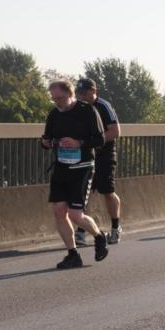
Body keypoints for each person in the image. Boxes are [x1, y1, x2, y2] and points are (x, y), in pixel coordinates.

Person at [40, 79, 109, 269]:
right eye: (54, 99)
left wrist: (79, 142)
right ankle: (73, 254)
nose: (57, 102)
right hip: (61, 168)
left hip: (83, 167)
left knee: (75, 214)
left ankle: (98, 236)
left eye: (60, 98)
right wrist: (46, 143)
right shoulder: (54, 114)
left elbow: (100, 139)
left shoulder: (87, 111)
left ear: (70, 95)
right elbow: (47, 138)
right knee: (59, 211)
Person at [74, 78, 123, 245]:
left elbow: (115, 131)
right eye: (79, 93)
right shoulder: (78, 108)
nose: (82, 96)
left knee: (107, 192)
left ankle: (115, 228)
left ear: (94, 91)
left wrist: (97, 142)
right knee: (84, 194)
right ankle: (81, 232)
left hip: (105, 155)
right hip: (86, 155)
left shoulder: (104, 106)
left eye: (85, 93)